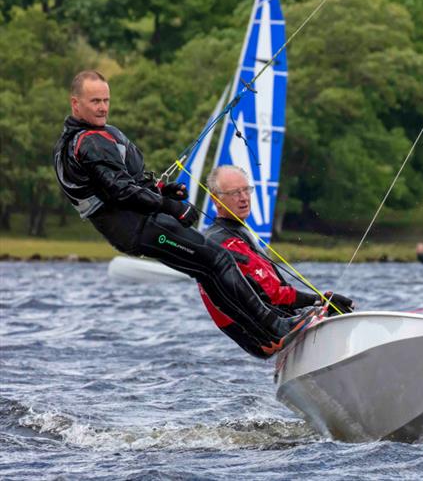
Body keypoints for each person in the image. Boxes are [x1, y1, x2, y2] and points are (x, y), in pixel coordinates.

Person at [53, 70, 320, 357]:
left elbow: (128, 184)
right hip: (138, 228)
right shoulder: (88, 142)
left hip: (142, 222)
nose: (103, 107)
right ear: (75, 104)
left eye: (106, 100)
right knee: (218, 260)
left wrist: (162, 191)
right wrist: (171, 207)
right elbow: (121, 192)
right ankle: (274, 326)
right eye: (95, 101)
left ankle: (265, 333)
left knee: (209, 268)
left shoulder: (91, 137)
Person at [199, 165, 354, 358]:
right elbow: (274, 294)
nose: (244, 198)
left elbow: (273, 292)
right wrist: (320, 300)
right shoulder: (225, 242)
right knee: (337, 312)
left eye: (246, 190)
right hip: (264, 337)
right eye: (234, 193)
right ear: (216, 199)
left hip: (272, 325)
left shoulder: (232, 231)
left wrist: (321, 303)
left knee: (342, 310)